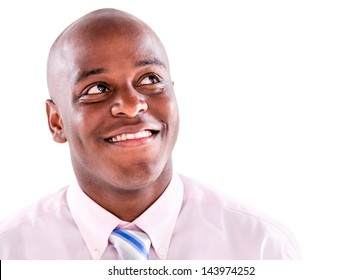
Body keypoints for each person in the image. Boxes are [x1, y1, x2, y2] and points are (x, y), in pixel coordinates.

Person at [0, 8, 300, 260]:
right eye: (97, 89)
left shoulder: (262, 250)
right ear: (56, 122)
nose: (131, 106)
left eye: (150, 79)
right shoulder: (12, 253)